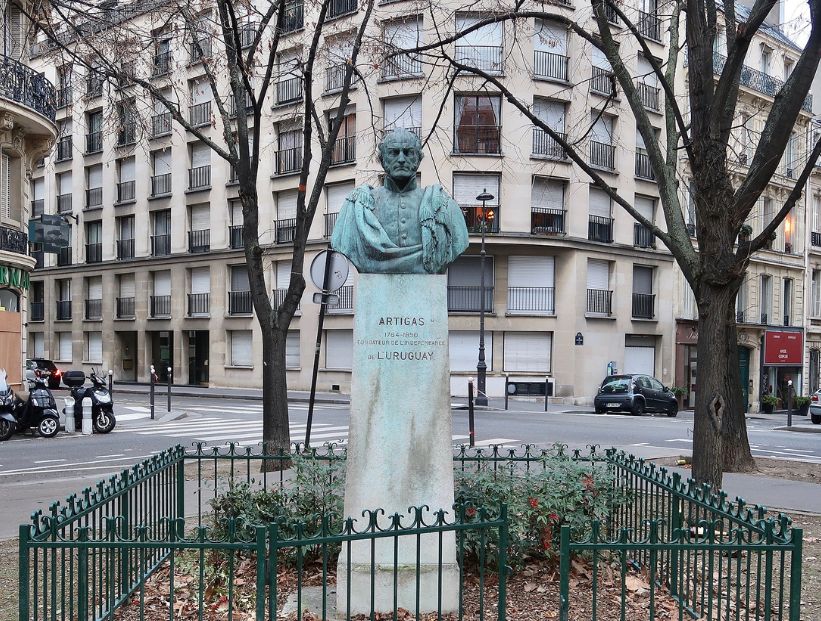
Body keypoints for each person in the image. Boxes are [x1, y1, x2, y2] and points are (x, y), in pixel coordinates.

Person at [331, 129, 469, 274]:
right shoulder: (357, 206)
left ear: (418, 159)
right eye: (394, 152)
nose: (401, 159)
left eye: (408, 152)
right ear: (382, 159)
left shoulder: (443, 206)